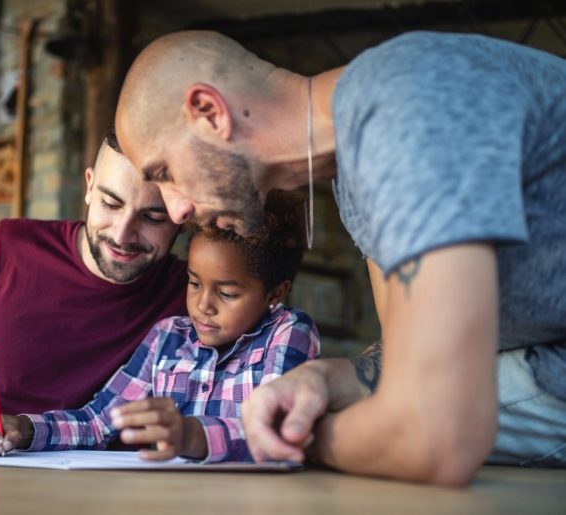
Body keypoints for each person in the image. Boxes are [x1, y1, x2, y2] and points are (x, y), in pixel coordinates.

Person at [114, 30, 566, 484]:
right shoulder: (353, 174)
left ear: (209, 112)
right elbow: (399, 365)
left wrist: (289, 439)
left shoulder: (407, 106)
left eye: (166, 173)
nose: (176, 210)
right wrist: (326, 378)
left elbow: (434, 438)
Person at [0, 201, 320, 462]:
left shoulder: (288, 332)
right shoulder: (168, 337)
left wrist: (190, 435)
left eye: (227, 293)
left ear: (275, 292)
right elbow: (100, 421)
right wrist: (25, 429)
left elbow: (274, 436)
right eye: (194, 283)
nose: (203, 305)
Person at [0, 130, 188, 452]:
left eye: (153, 217)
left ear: (182, 214)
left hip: (110, 490)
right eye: (110, 203)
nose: (123, 235)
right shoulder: (9, 246)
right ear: (89, 187)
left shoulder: (196, 295)